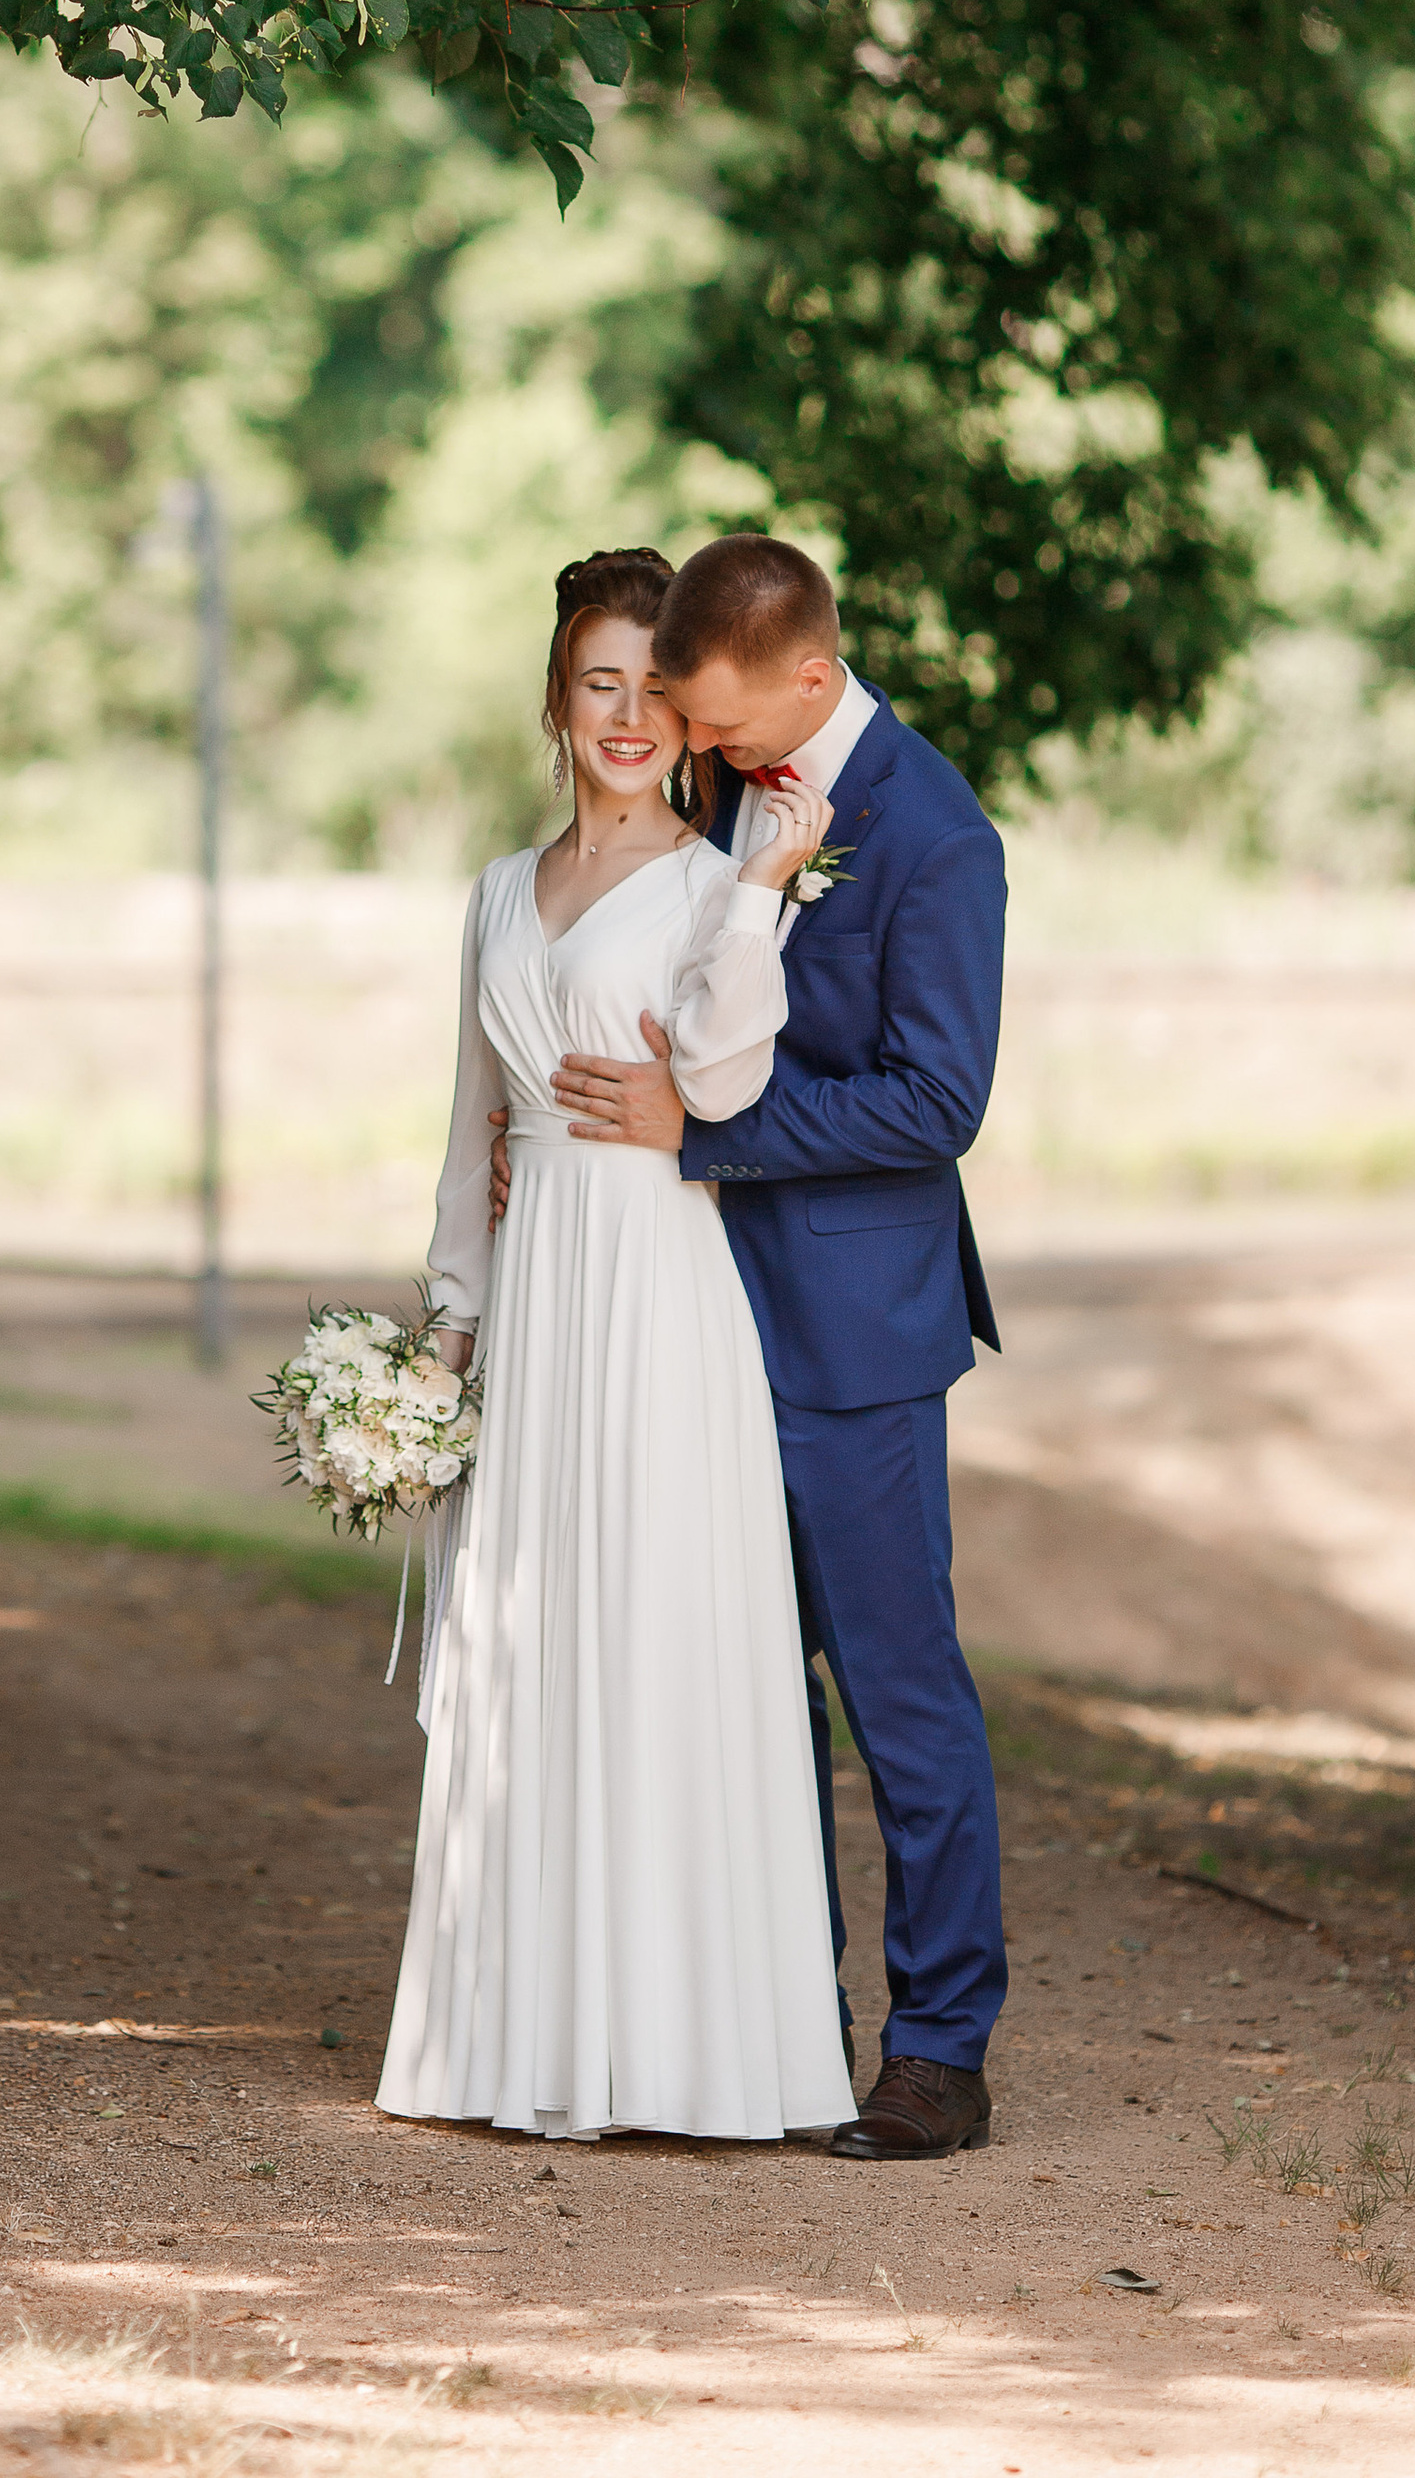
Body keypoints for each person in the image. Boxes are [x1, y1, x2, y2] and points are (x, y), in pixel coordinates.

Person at [515, 532, 1007, 2162]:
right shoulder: (735, 789)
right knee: (738, 1694)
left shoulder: (937, 838)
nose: (708, 759)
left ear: (810, 674)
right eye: (696, 734)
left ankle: (939, 2051)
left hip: (853, 1337)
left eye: (727, 730)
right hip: (691, 1320)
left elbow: (938, 1103)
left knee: (897, 1694)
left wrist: (699, 1135)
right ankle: (781, 2024)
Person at [376, 546, 854, 2146]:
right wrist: (447, 1326)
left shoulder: (720, 875)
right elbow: (471, 1123)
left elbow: (721, 1087)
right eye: (602, 683)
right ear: (557, 701)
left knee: (654, 1634)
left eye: (660, 687)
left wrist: (768, 888)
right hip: (534, 1293)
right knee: (532, 1635)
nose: (632, 714)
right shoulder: (495, 897)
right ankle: (517, 2042)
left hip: (657, 1284)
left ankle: (675, 2050)